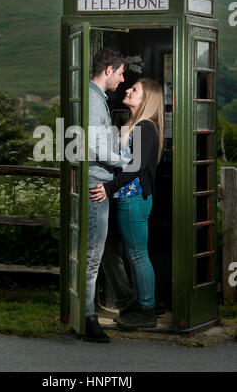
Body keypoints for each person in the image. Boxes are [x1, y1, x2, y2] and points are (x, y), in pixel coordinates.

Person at [90, 78, 164, 329]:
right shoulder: (131, 124)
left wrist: (108, 188)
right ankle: (137, 302)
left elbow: (135, 167)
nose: (128, 90)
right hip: (125, 198)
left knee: (137, 255)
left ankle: (146, 311)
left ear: (146, 100)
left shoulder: (145, 127)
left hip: (133, 199)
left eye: (135, 90)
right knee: (123, 253)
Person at [81, 48, 131, 343]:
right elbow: (97, 148)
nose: (123, 79)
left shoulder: (96, 98)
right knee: (91, 256)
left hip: (97, 184)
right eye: (121, 72)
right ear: (108, 70)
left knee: (99, 252)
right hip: (94, 187)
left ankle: (94, 310)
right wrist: (128, 161)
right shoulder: (93, 100)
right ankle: (88, 319)